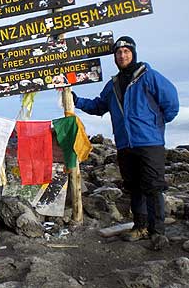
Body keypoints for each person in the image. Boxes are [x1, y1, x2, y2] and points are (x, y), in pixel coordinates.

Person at [72, 36, 179, 250]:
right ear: (115, 57)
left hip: (149, 143)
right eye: (118, 53)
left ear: (133, 53)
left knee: (153, 187)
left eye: (126, 52)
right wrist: (76, 101)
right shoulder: (113, 85)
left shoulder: (149, 77)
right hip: (125, 145)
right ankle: (140, 227)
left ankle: (157, 232)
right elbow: (99, 106)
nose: (122, 56)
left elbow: (172, 103)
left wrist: (155, 125)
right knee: (134, 187)